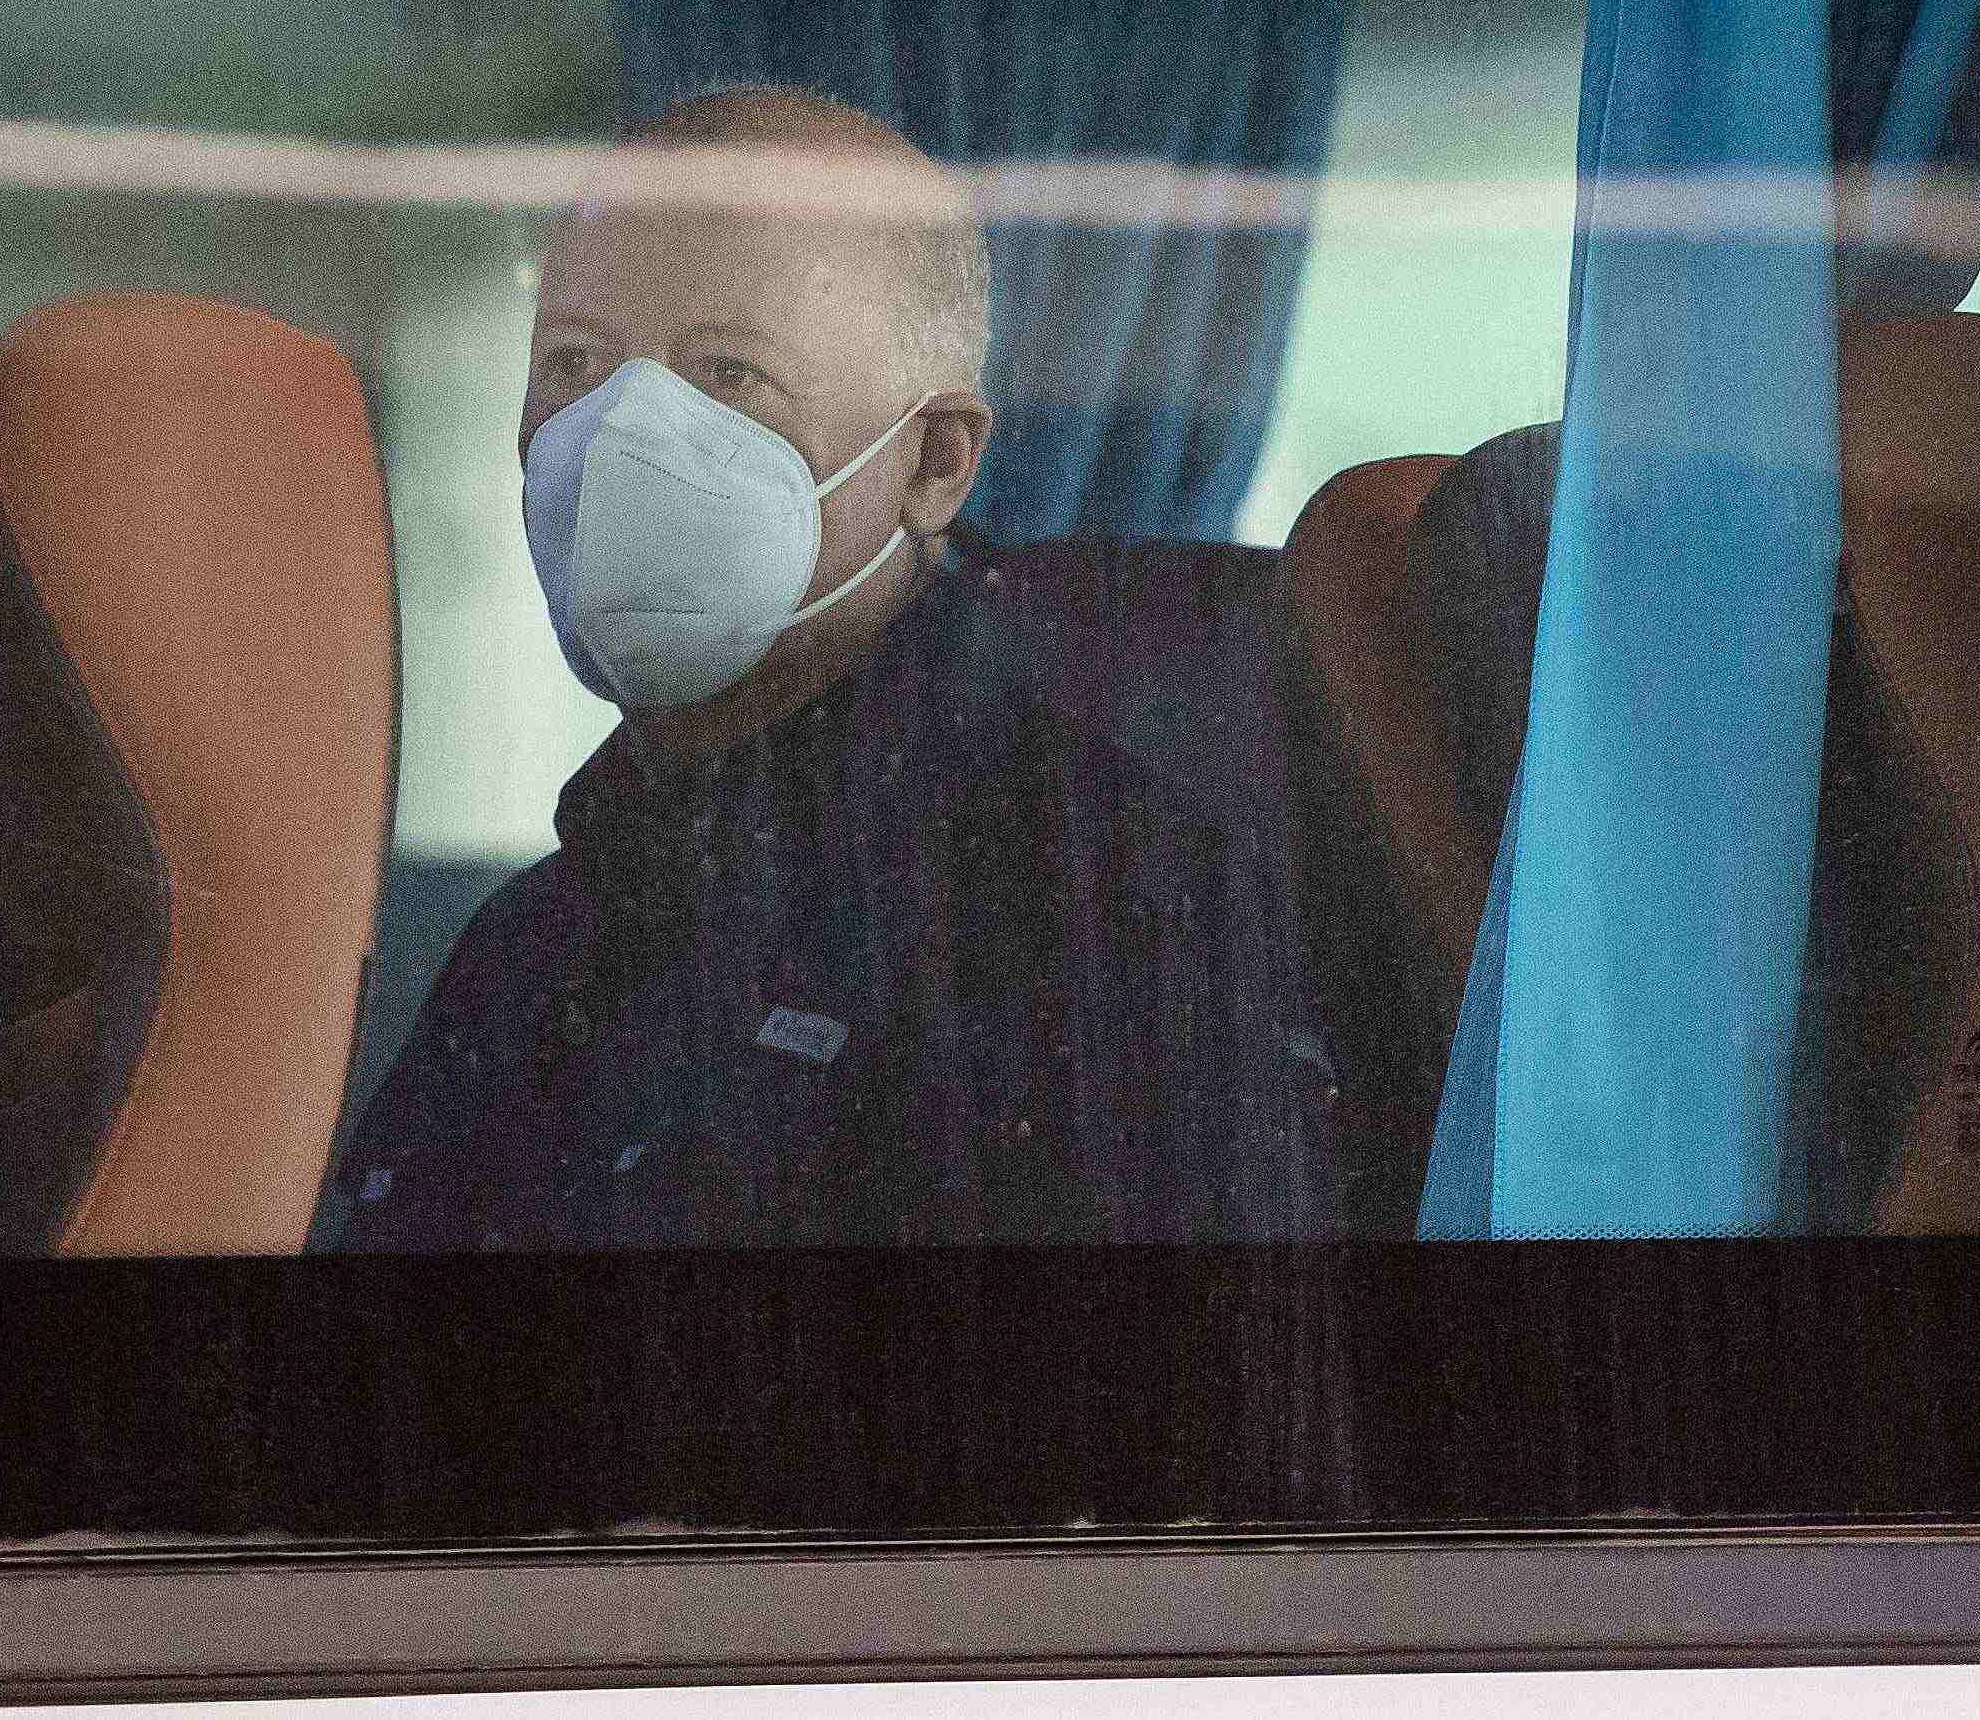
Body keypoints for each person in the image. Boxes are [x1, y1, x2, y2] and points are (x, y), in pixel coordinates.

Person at [326, 86, 1349, 1249]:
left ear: (934, 461)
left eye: (728, 372)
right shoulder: (534, 937)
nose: (615, 432)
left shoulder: (1105, 922)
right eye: (573, 360)